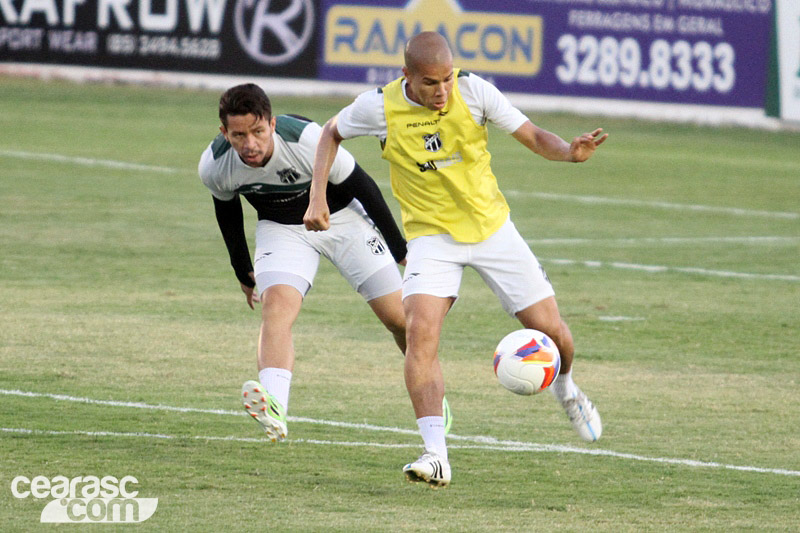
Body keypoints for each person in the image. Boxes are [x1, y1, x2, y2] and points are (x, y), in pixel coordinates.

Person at [304, 32, 607, 487]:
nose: (442, 91)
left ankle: (566, 390)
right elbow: (331, 133)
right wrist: (317, 198)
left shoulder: (475, 91)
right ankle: (436, 454)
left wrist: (568, 151)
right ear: (406, 76)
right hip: (431, 238)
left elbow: (531, 133)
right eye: (430, 83)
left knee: (554, 332)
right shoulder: (379, 107)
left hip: (492, 231)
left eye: (447, 78)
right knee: (419, 332)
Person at [198, 83, 433, 442]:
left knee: (401, 321)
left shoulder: (308, 139)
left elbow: (363, 185)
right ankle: (274, 406)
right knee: (276, 308)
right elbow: (226, 211)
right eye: (238, 135)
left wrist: (399, 247)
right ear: (224, 132)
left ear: (272, 124)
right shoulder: (216, 165)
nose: (250, 144)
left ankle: (431, 399)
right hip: (283, 229)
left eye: (258, 131)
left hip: (343, 220)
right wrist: (242, 269)